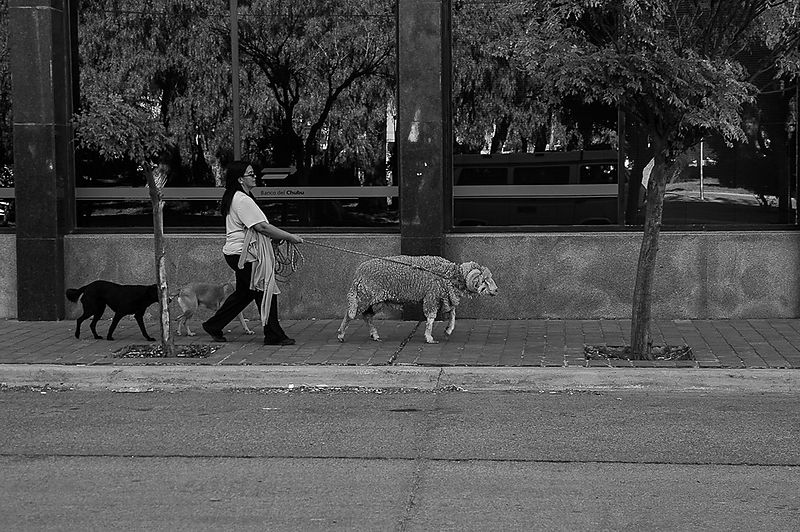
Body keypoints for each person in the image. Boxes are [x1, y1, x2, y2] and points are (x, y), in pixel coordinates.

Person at [202, 161, 303, 345]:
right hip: (246, 255)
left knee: (245, 293)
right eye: (250, 174)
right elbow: (262, 227)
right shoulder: (242, 200)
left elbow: (259, 228)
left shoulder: (235, 197)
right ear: (240, 179)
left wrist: (278, 237)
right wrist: (289, 237)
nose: (254, 176)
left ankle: (213, 325)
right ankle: (273, 335)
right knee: (266, 290)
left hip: (237, 253)